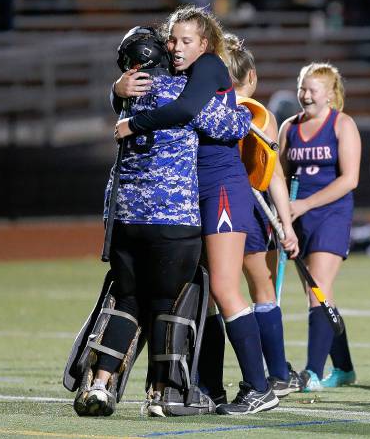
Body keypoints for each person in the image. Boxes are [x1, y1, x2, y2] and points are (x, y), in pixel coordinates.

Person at [68, 25, 250, 417]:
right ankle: (163, 395)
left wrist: (116, 91)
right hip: (171, 218)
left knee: (129, 299)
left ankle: (99, 385)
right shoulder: (180, 95)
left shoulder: (128, 95)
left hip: (123, 220)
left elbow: (122, 104)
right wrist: (242, 104)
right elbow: (233, 126)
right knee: (169, 303)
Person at [114, 5, 278, 415]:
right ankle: (210, 389)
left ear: (205, 43)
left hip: (220, 187)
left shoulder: (208, 66)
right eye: (173, 40)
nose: (176, 47)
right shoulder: (176, 72)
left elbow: (186, 110)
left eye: (186, 40)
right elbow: (138, 93)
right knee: (202, 296)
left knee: (224, 287)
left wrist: (135, 125)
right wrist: (117, 92)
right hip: (189, 194)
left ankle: (260, 387)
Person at [225, 32, 305, 396]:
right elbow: (274, 175)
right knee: (262, 291)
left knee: (221, 294)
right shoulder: (262, 115)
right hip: (253, 210)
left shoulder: (204, 108)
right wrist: (287, 224)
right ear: (252, 77)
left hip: (215, 207)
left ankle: (208, 380)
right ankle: (277, 374)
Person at [278, 62, 361, 391]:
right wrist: (285, 217)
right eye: (302, 88)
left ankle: (312, 372)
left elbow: (350, 179)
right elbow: (279, 177)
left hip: (332, 214)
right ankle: (343, 368)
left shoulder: (343, 125)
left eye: (313, 89)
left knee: (318, 293)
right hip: (298, 219)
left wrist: (305, 204)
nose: (306, 95)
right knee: (321, 296)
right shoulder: (289, 127)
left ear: (330, 94)